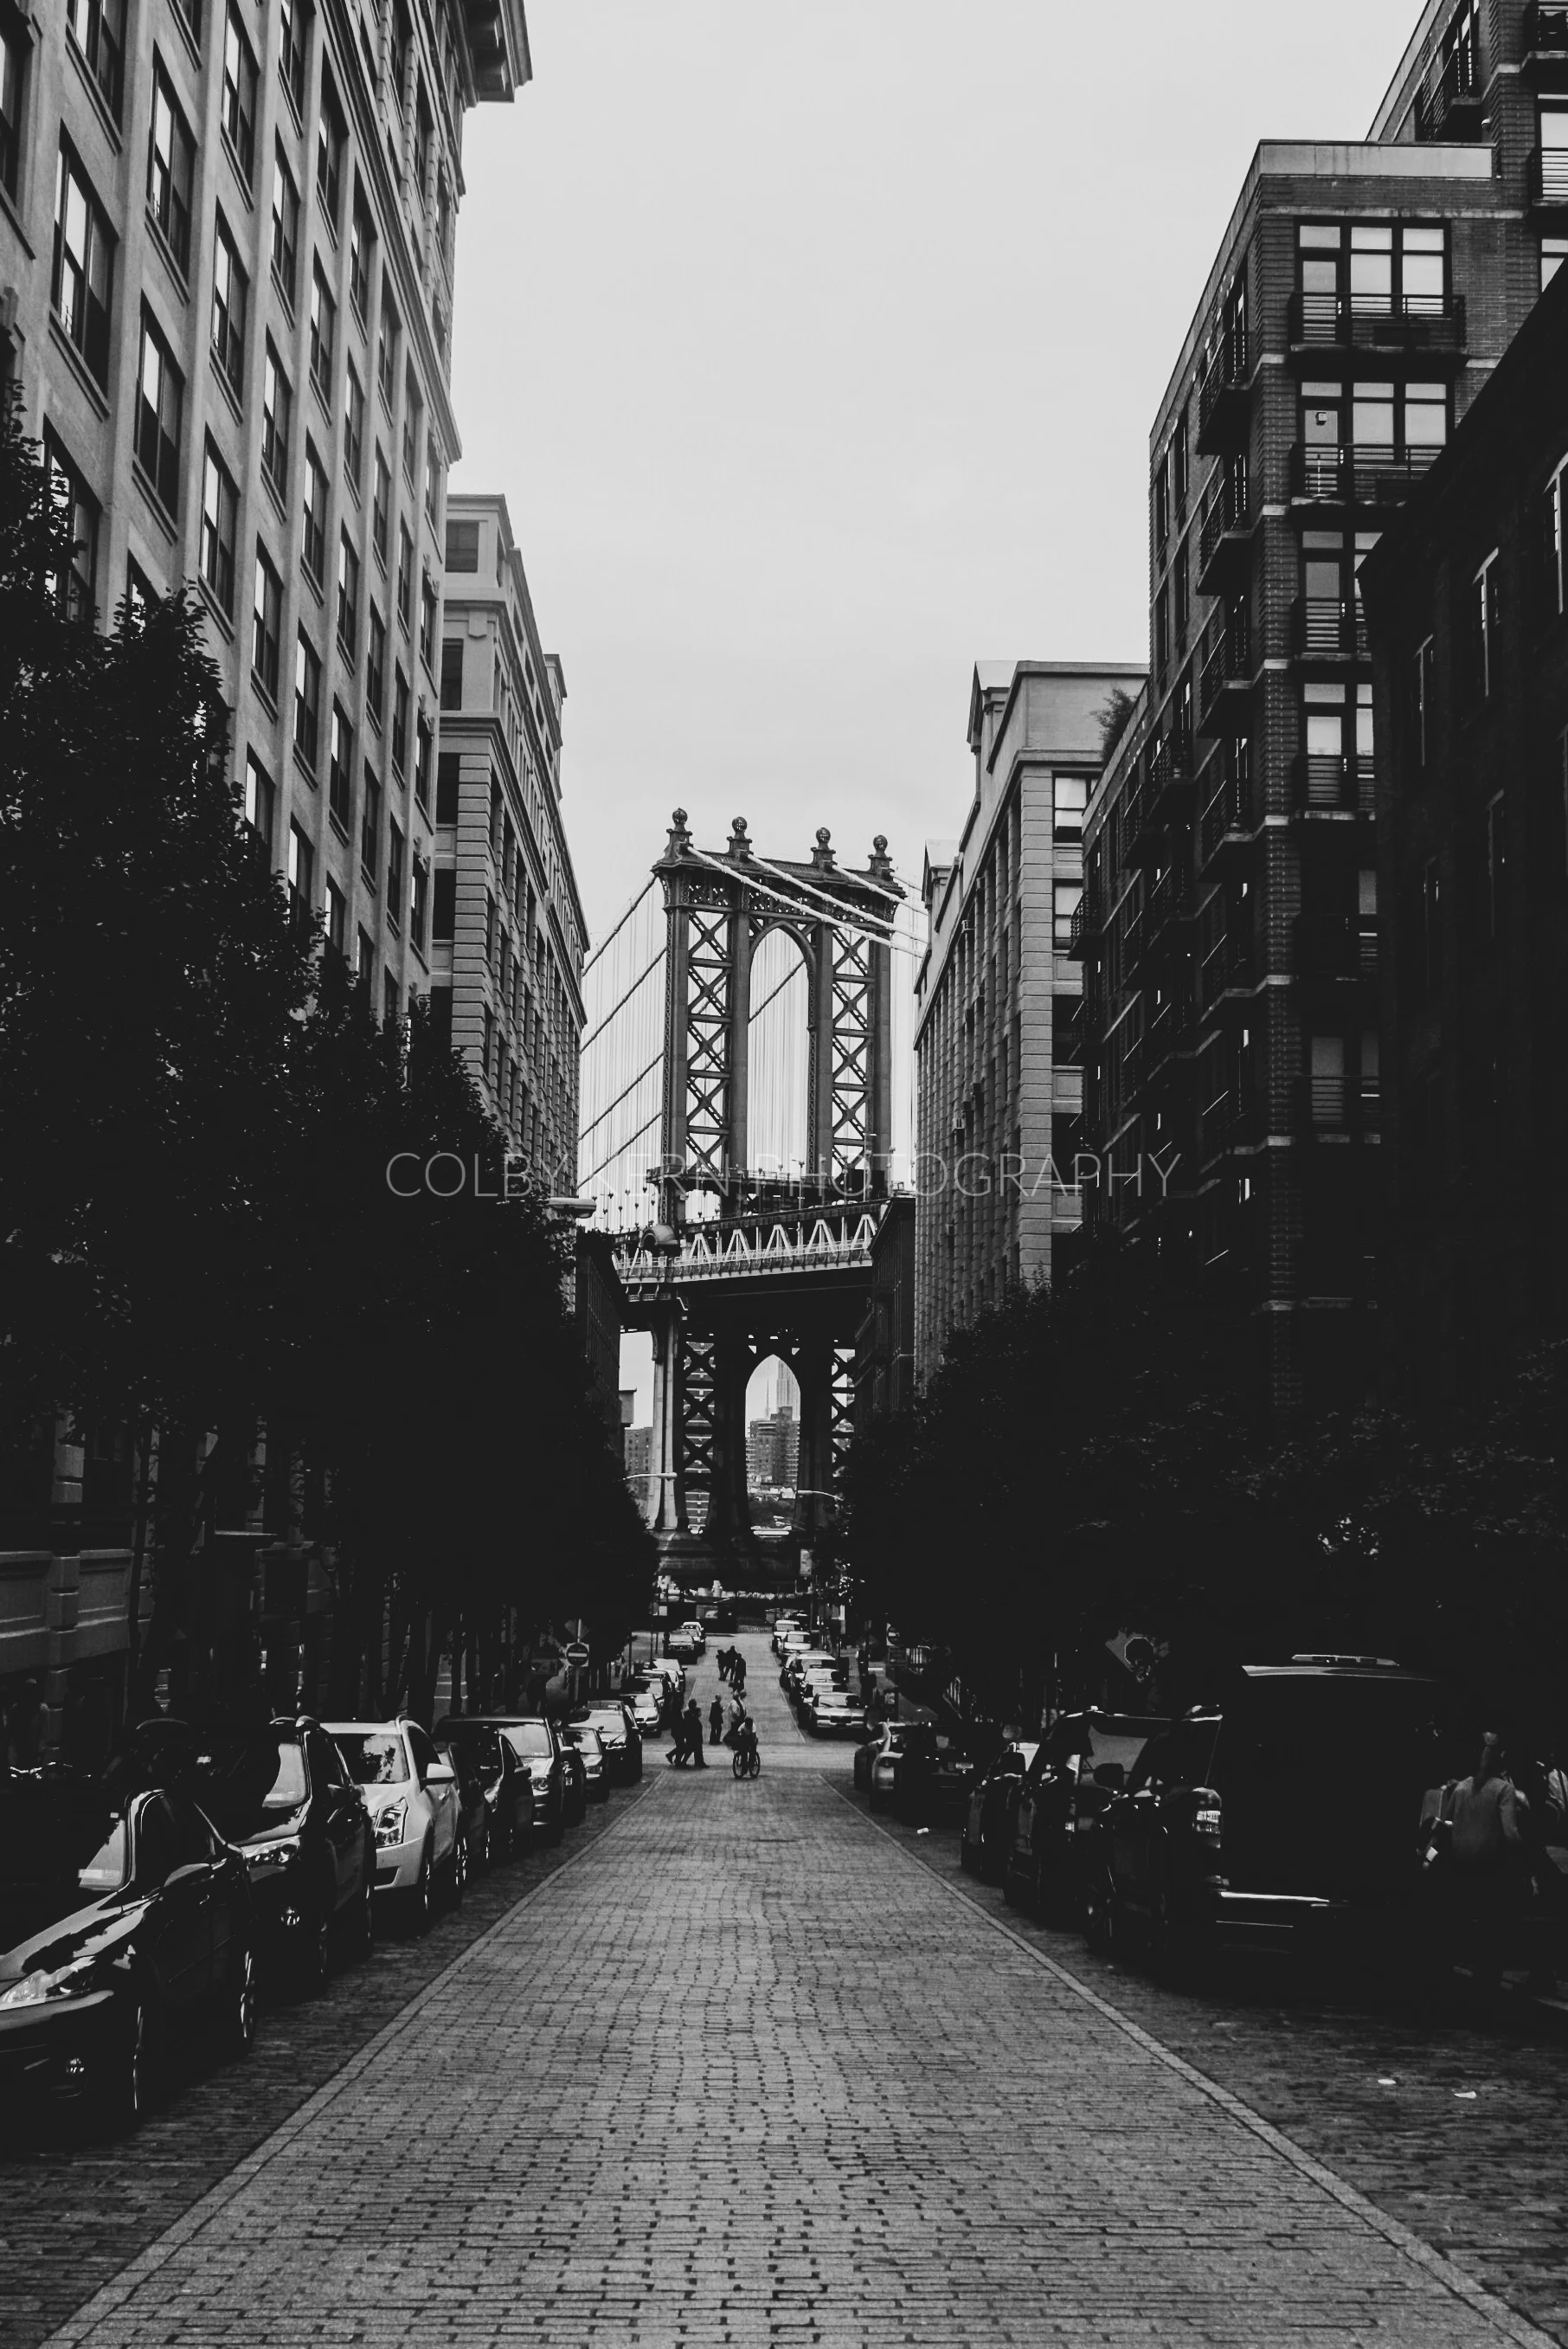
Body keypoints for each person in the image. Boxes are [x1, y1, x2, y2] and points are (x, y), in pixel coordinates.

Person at [1449, 1730, 1525, 1992]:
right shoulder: (1504, 1790)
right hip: (1489, 1872)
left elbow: (1447, 1823)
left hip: (1460, 1870)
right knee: (1492, 1934)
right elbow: (1511, 1835)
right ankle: (1485, 1989)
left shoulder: (1460, 1787)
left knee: (1458, 1928)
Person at [684, 1699, 707, 1767]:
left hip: (690, 1734)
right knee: (697, 1748)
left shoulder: (687, 1713)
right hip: (694, 1733)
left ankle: (697, 1762)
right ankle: (700, 1763)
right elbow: (698, 1716)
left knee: (692, 1748)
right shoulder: (691, 1712)